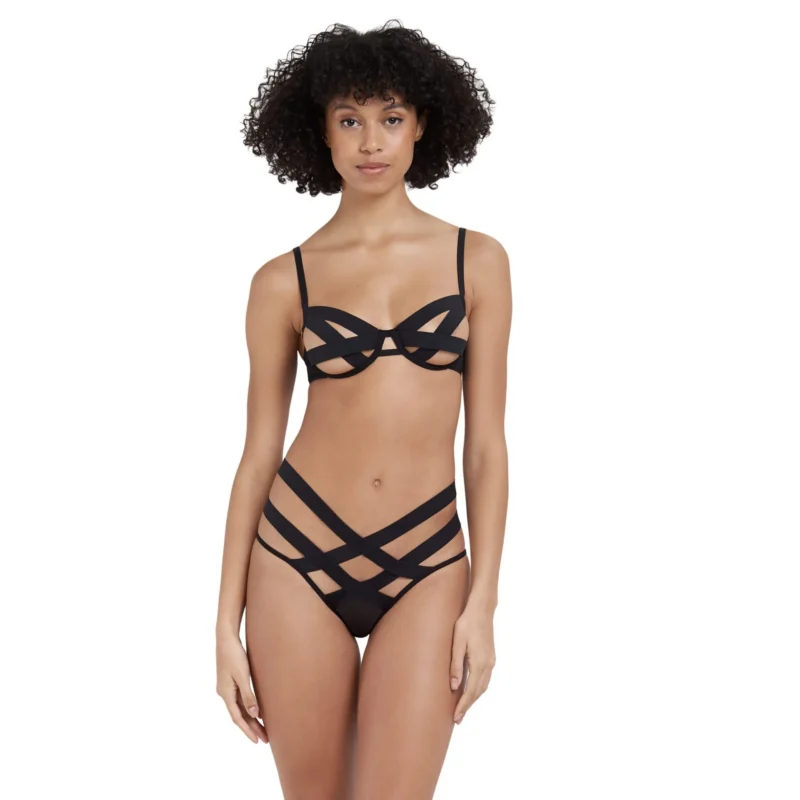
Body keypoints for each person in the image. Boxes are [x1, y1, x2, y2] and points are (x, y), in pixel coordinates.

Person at [216, 19, 511, 799]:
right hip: (294, 554)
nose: (371, 141)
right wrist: (222, 626)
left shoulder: (478, 261)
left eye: (390, 117)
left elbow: (486, 446)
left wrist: (484, 602)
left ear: (423, 125)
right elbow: (257, 455)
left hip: (428, 558)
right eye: (349, 120)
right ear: (320, 132)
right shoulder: (282, 280)